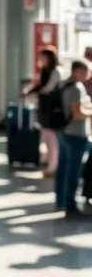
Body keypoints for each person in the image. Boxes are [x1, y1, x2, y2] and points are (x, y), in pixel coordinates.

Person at [56, 60, 92, 217]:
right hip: (76, 133)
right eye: (86, 71)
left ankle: (61, 200)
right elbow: (77, 114)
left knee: (63, 167)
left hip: (63, 130)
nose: (88, 75)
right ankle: (71, 206)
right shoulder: (77, 88)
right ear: (77, 71)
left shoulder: (64, 84)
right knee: (74, 171)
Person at [24, 47, 64, 177]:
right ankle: (47, 162)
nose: (40, 60)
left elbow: (48, 88)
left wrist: (34, 92)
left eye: (43, 57)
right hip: (44, 108)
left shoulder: (56, 71)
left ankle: (53, 165)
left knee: (52, 139)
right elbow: (41, 86)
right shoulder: (44, 71)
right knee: (45, 136)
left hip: (53, 109)